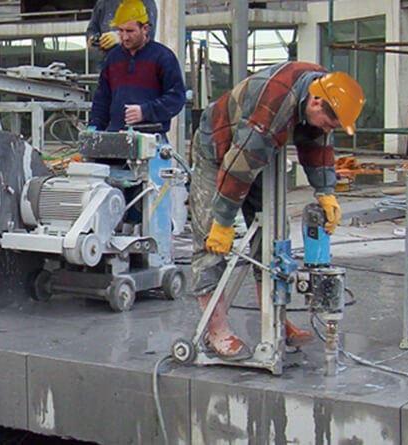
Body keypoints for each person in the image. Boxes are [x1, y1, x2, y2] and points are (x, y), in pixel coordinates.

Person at [190, 61, 365, 358]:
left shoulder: (324, 89)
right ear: (315, 102)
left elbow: (317, 142)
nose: (328, 130)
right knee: (211, 240)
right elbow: (239, 166)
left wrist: (326, 191)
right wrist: (223, 221)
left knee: (274, 234)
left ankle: (274, 320)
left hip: (259, 149)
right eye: (328, 123)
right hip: (219, 148)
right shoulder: (273, 103)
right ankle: (215, 330)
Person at [88, 0, 185, 137]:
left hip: (151, 137)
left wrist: (145, 112)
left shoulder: (163, 57)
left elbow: (176, 97)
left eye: (130, 31)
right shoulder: (113, 58)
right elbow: (102, 99)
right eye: (120, 31)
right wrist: (94, 128)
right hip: (116, 136)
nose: (124, 37)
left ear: (145, 29)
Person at [86, 0, 158, 53]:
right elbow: (92, 29)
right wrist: (94, 39)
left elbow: (148, 33)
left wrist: (119, 37)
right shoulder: (103, 3)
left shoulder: (146, 2)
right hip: (107, 62)